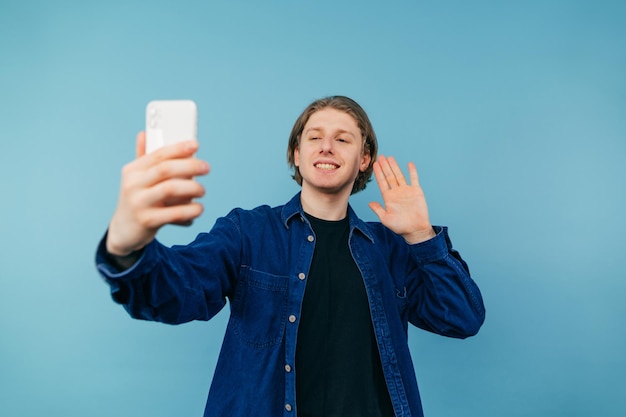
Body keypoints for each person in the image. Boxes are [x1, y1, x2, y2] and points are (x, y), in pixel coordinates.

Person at [95, 95, 485, 417]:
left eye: (343, 139)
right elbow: (175, 292)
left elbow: (463, 318)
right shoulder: (246, 232)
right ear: (297, 154)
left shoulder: (393, 248)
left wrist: (421, 236)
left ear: (363, 160)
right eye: (314, 137)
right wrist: (127, 248)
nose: (327, 146)